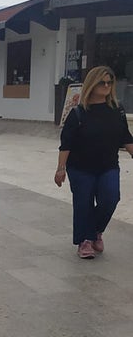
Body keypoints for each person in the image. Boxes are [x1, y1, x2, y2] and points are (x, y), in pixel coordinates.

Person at [55, 65, 133, 258]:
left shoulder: (117, 110)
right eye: (102, 82)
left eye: (110, 82)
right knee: (83, 204)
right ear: (92, 84)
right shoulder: (78, 113)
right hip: (80, 168)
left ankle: (95, 231)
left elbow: (125, 136)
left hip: (108, 166)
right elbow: (66, 143)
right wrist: (60, 169)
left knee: (110, 199)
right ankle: (85, 241)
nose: (106, 86)